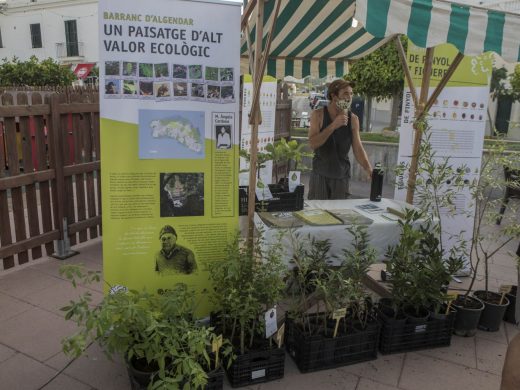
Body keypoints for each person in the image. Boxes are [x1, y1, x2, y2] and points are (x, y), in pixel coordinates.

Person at [307, 79, 372, 199]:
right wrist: (333, 125)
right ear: (334, 96)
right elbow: (312, 144)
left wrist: (368, 168)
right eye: (345, 94)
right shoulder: (318, 115)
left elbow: (357, 147)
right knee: (317, 214)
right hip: (320, 175)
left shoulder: (353, 119)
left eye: (351, 94)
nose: (349, 98)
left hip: (342, 177)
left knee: (339, 214)